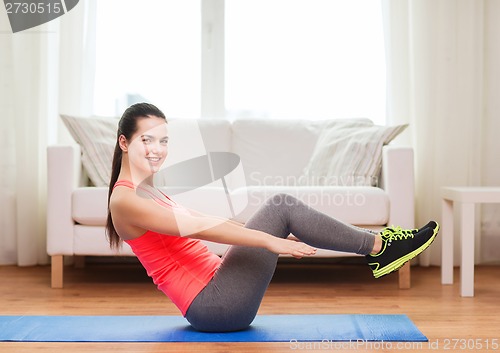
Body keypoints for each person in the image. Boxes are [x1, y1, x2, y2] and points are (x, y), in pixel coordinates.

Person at [106, 102, 439, 333]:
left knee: (280, 210)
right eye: (146, 140)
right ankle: (381, 248)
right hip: (215, 307)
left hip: (218, 289)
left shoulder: (149, 189)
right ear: (124, 142)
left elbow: (204, 217)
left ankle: (380, 247)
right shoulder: (124, 200)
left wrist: (282, 237)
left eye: (163, 141)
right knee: (281, 205)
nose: (157, 149)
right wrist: (269, 240)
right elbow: (200, 228)